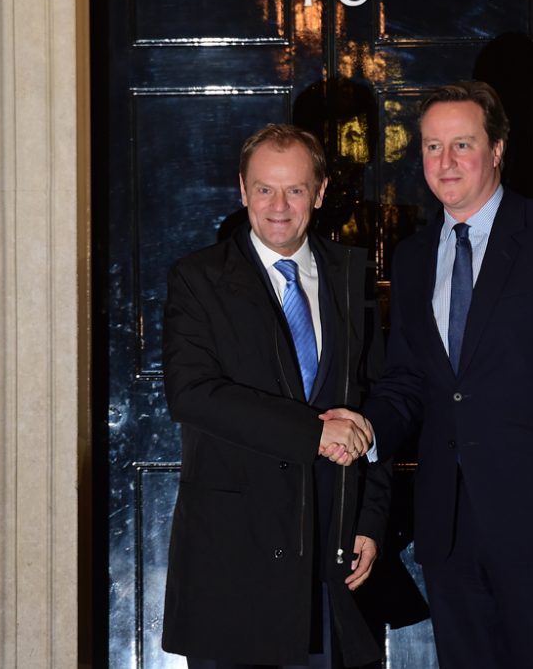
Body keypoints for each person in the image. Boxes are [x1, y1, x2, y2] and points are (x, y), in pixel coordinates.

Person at [329, 81, 533, 668]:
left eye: (462, 145)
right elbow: (411, 381)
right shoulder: (414, 258)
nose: (445, 162)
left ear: (497, 150)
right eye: (432, 147)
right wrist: (366, 428)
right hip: (450, 527)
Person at [161, 123, 390, 668]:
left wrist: (370, 521)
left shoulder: (353, 275)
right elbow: (191, 394)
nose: (279, 206)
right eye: (264, 189)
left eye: (294, 189)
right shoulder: (198, 278)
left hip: (331, 567)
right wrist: (314, 433)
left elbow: (378, 401)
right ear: (242, 191)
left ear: (321, 191)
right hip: (233, 566)